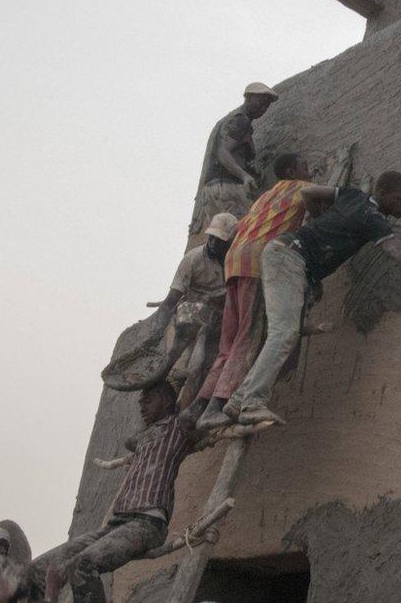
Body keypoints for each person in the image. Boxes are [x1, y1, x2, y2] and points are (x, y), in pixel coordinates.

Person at [225, 170, 401, 426]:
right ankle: (252, 402)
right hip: (289, 258)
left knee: (285, 332)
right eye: (400, 199)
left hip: (285, 252)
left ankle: (238, 400)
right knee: (285, 333)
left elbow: (308, 192)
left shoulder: (351, 195)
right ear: (382, 193)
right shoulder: (373, 219)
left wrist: (317, 222)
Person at [182, 153, 315, 431]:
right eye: (304, 166)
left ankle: (199, 407)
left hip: (234, 264)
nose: (309, 169)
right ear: (291, 170)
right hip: (255, 264)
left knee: (227, 345)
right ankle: (218, 404)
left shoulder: (265, 197)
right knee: (247, 337)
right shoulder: (300, 188)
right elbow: (326, 198)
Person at [33, 382, 195, 603]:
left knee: (82, 565)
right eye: (140, 402)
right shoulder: (143, 438)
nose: (141, 406)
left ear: (167, 401)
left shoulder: (176, 427)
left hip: (147, 524)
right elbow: (132, 440)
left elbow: (194, 379)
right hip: (116, 524)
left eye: (147, 400)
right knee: (36, 570)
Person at [100, 213, 238, 393]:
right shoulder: (193, 259)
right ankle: (174, 371)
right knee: (183, 353)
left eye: (219, 240)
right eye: (212, 238)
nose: (213, 243)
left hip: (220, 317)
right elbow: (170, 302)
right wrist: (155, 333)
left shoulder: (233, 262)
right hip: (190, 316)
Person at [188, 82, 278, 241]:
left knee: (221, 237)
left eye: (266, 105)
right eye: (261, 102)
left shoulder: (234, 121)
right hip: (228, 187)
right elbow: (223, 152)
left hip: (213, 189)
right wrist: (244, 176)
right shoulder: (240, 120)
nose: (263, 108)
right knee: (243, 233)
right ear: (249, 98)